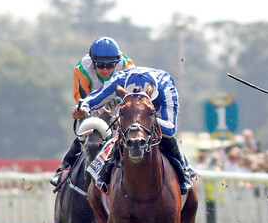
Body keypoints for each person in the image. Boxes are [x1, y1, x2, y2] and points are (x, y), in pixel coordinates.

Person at [72, 66, 195, 195]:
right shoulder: (118, 81)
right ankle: (104, 172)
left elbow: (170, 128)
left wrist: (143, 119)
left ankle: (184, 173)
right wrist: (82, 109)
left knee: (167, 138)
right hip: (133, 115)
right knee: (123, 134)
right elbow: (94, 98)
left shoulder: (165, 87)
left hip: (153, 112)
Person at [50, 37, 135, 189]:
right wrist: (80, 112)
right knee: (91, 136)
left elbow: (130, 96)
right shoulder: (81, 69)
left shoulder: (127, 66)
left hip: (119, 106)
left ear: (116, 63)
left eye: (110, 66)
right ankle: (64, 167)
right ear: (93, 62)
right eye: (101, 65)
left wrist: (115, 106)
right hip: (93, 106)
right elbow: (82, 99)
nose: (105, 70)